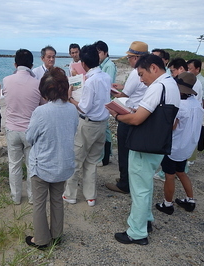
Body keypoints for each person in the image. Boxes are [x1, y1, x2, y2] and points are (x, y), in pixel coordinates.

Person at [107, 54, 180, 245]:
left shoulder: (157, 86)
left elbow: (138, 119)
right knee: (145, 184)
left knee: (139, 188)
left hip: (144, 145)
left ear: (154, 68)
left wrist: (118, 115)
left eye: (141, 74)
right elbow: (172, 123)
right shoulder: (172, 84)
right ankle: (146, 220)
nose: (140, 79)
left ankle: (137, 232)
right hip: (157, 145)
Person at [25, 67, 78, 250]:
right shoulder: (72, 109)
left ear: (45, 90)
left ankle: (40, 239)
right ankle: (56, 236)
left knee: (39, 204)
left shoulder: (41, 112)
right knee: (57, 201)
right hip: (63, 163)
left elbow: (30, 137)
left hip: (43, 165)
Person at [63, 44, 111, 207]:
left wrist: (70, 98)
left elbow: (84, 107)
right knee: (92, 161)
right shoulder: (105, 77)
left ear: (83, 63)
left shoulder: (91, 82)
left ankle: (70, 194)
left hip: (88, 124)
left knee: (76, 159)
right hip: (102, 124)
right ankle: (90, 196)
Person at [155, 72, 204, 215]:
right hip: (188, 145)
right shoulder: (196, 102)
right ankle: (190, 200)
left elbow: (173, 126)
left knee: (169, 175)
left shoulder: (180, 105)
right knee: (181, 172)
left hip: (174, 146)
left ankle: (167, 204)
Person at [2, 49, 45, 205]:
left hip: (12, 128)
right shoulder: (38, 83)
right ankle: (33, 197)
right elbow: (42, 104)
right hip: (30, 130)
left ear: (15, 64)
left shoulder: (6, 80)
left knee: (14, 165)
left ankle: (16, 197)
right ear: (32, 65)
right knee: (31, 165)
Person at [105, 41, 149, 194]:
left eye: (130, 57)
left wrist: (110, 92)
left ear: (137, 57)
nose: (129, 60)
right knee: (133, 152)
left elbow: (125, 95)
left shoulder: (135, 73)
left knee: (124, 150)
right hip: (141, 114)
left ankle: (124, 183)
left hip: (129, 114)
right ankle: (128, 178)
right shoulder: (148, 71)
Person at [94, 40, 117, 166]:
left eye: (99, 52)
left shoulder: (109, 66)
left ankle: (105, 157)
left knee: (105, 130)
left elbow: (107, 85)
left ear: (105, 52)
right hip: (103, 102)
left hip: (105, 102)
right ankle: (105, 156)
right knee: (105, 129)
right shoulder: (103, 64)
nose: (97, 55)